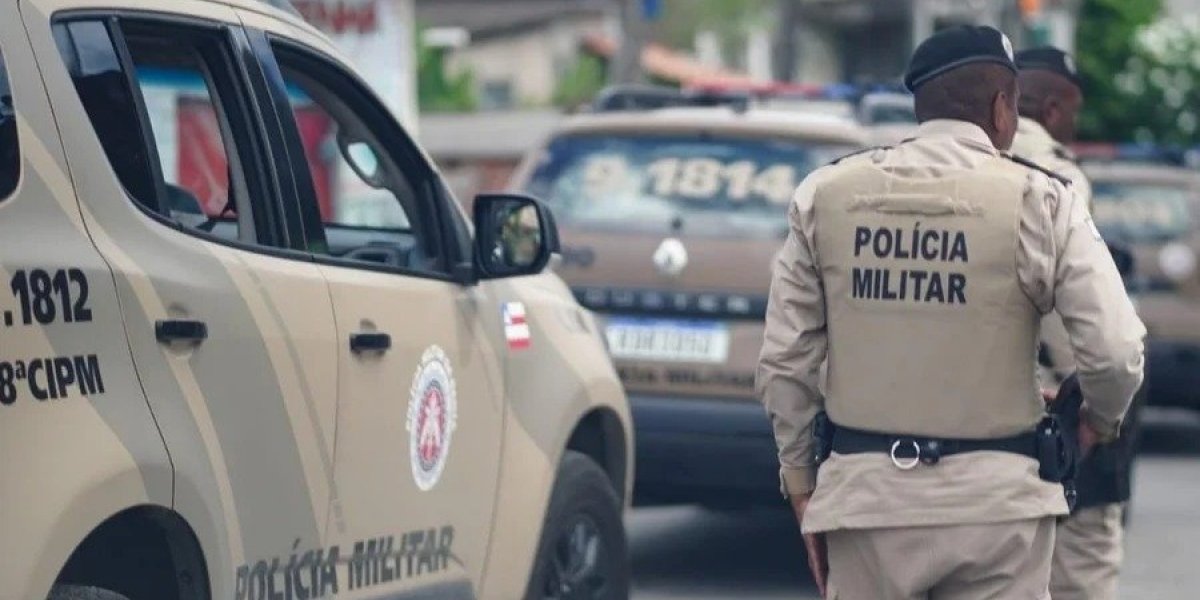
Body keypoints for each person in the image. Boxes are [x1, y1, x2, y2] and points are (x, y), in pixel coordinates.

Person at [756, 25, 1146, 600]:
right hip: (998, 512)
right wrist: (1100, 421)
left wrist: (800, 483)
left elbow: (785, 362)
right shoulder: (1043, 199)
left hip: (867, 503)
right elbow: (1115, 353)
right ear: (1001, 107)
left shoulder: (825, 195)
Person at [1012, 45, 1142, 600]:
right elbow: (1089, 333)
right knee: (1081, 564)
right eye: (1072, 109)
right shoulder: (1057, 176)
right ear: (1049, 109)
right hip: (1049, 406)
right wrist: (1095, 415)